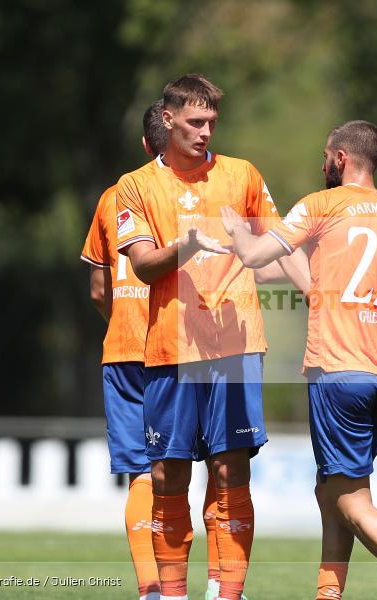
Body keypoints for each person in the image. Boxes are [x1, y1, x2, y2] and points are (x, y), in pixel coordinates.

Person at [220, 120, 377, 600]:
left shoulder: (321, 205)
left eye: (326, 155)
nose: (322, 163)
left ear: (341, 158)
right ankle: (329, 593)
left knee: (351, 499)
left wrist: (237, 231)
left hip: (337, 372)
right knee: (332, 490)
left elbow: (258, 255)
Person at [116, 73, 308, 600]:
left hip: (235, 345)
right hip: (168, 348)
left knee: (230, 471)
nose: (205, 133)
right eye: (195, 122)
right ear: (167, 119)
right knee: (167, 476)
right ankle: (171, 593)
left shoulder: (242, 174)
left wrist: (320, 297)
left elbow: (277, 248)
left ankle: (229, 593)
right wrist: (190, 244)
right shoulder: (134, 186)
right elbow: (142, 268)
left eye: (212, 123)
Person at [80, 100, 169, 600]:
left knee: (140, 472)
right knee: (179, 468)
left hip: (123, 347)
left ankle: (151, 588)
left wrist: (120, 322)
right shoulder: (189, 194)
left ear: (143, 145)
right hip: (175, 346)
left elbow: (97, 288)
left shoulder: (113, 196)